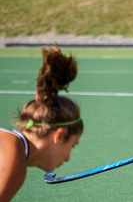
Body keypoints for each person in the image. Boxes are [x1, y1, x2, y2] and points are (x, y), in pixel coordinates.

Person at [0, 45, 83, 202]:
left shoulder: (10, 146)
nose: (67, 159)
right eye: (72, 146)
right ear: (59, 135)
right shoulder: (13, 159)